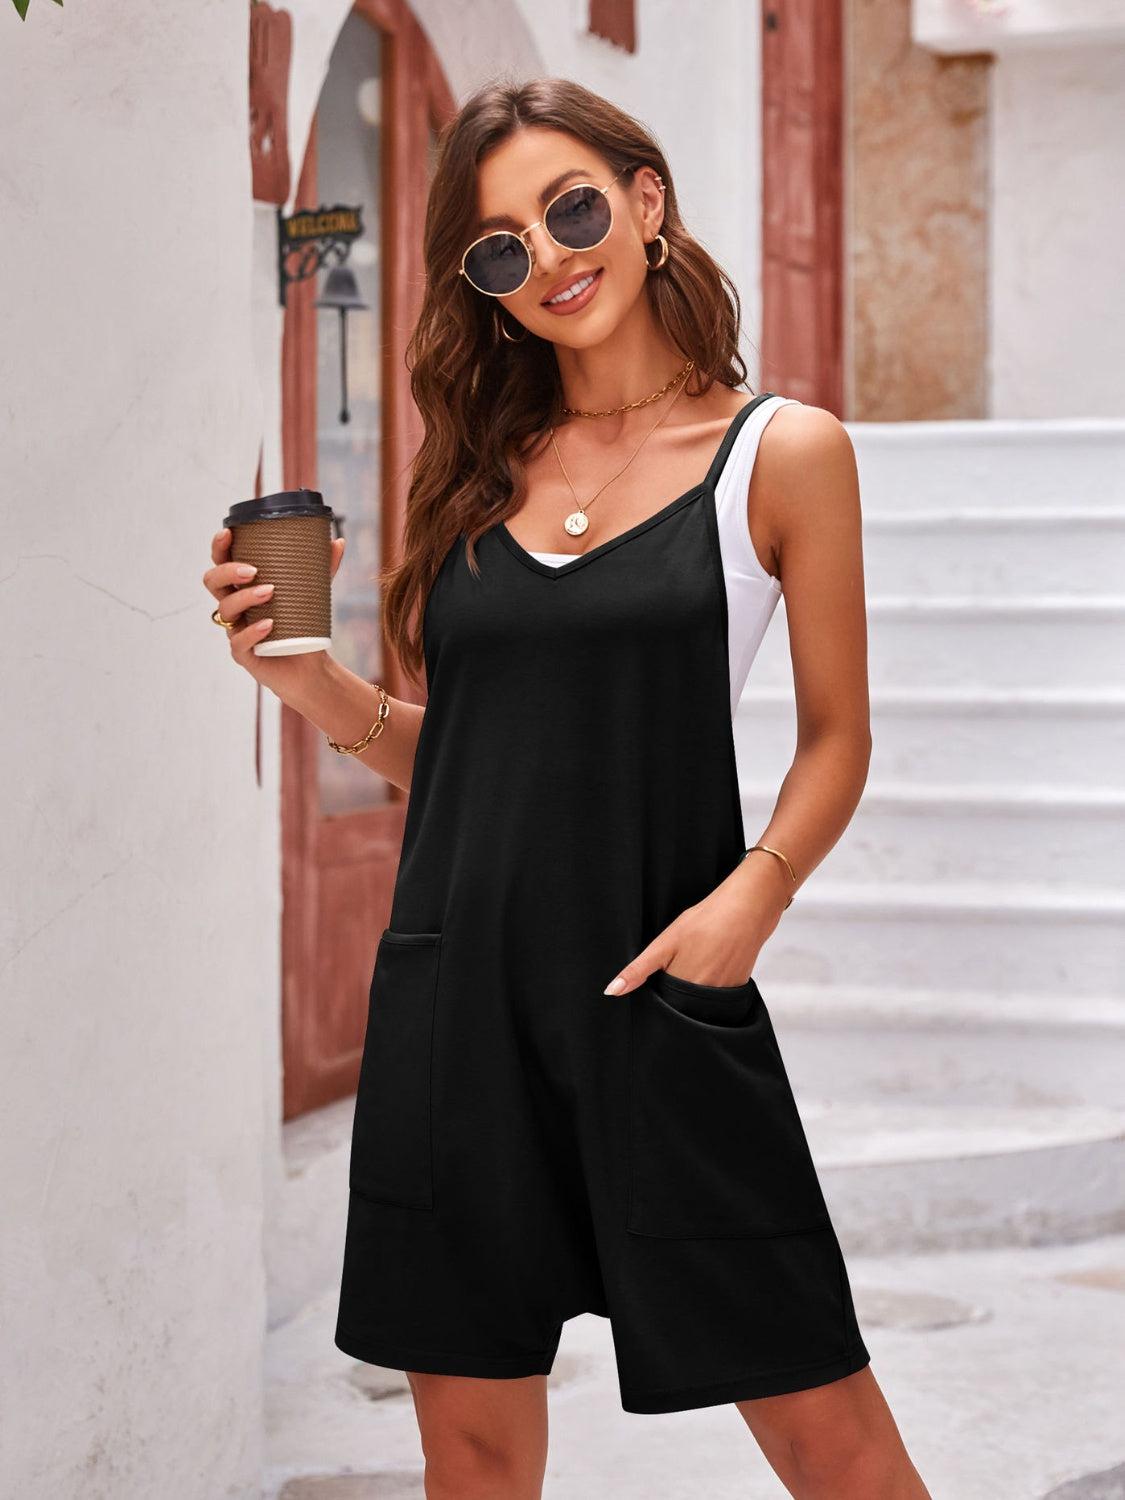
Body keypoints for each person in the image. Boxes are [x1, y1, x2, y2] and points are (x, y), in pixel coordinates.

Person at [205, 75, 930, 1500]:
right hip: (454, 1014)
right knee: (469, 1448)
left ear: (645, 203)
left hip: (658, 1002)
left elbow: (837, 738)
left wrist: (747, 907)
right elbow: (480, 757)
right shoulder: (475, 473)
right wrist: (319, 695)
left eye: (572, 208)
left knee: (829, 1439)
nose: (547, 258)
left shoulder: (775, 454)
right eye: (499, 248)